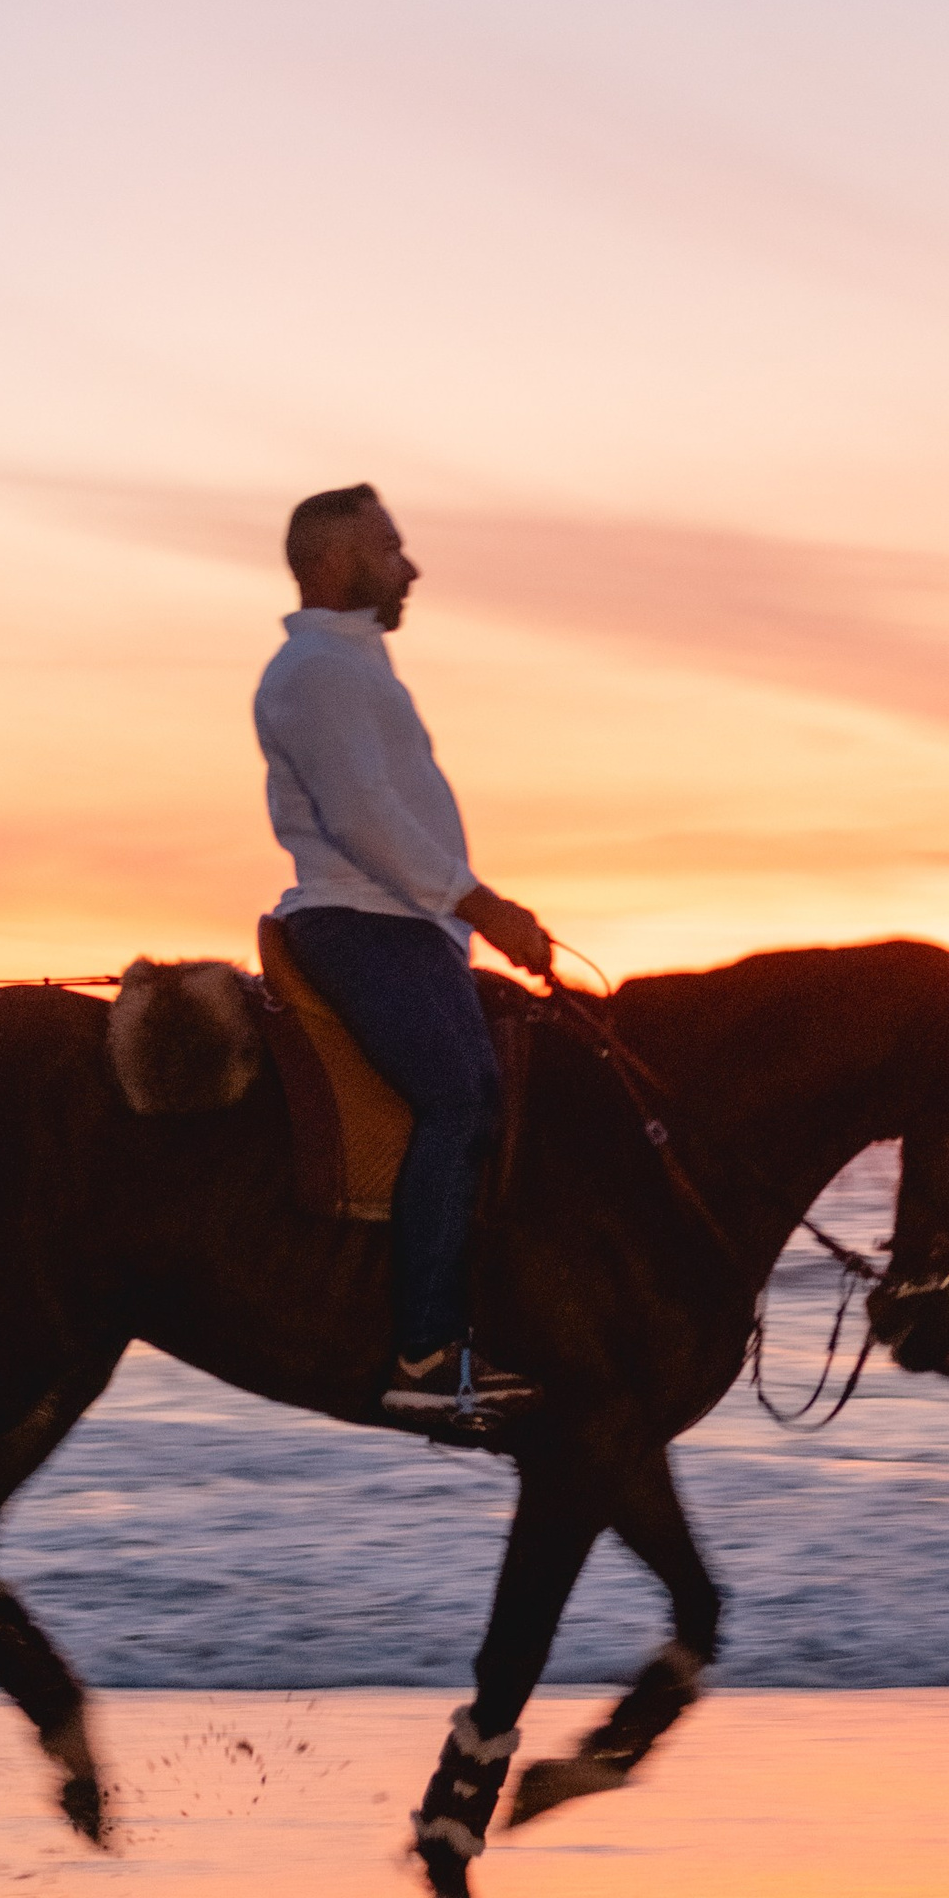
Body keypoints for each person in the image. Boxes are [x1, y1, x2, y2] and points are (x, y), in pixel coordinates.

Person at [253, 483, 554, 1430]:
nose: (410, 567)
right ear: (335, 561)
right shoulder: (317, 671)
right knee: (460, 1098)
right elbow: (363, 818)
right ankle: (424, 1354)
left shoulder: (349, 666)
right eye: (389, 548)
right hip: (364, 921)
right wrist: (485, 906)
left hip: (406, 925)